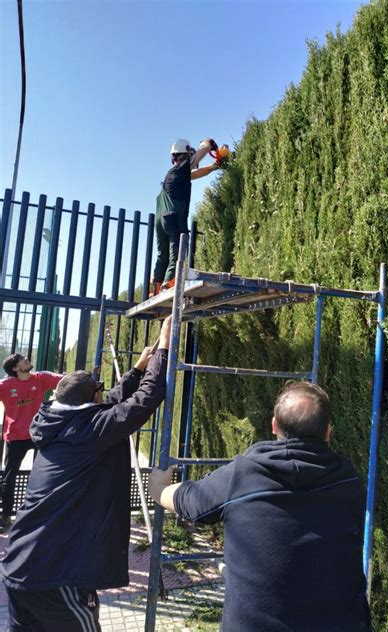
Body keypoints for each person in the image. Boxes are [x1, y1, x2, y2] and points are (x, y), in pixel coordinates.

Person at [150, 381, 372, 632]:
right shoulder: (348, 480)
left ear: (274, 425)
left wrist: (158, 489)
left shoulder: (243, 476)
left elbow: (191, 501)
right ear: (328, 432)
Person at [1, 316, 171, 632]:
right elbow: (144, 402)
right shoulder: (88, 431)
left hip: (21, 566)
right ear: (89, 398)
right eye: (98, 390)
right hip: (54, 577)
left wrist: (137, 368)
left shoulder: (58, 423)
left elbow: (109, 404)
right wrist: (164, 345)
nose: (102, 395)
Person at [150, 137, 221, 296]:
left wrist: (215, 166)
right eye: (190, 155)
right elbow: (196, 158)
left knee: (163, 255)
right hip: (173, 218)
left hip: (160, 221)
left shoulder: (174, 174)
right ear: (185, 154)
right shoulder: (180, 169)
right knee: (178, 251)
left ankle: (155, 288)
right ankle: (169, 285)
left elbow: (197, 173)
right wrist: (207, 144)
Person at [0, 354, 62, 532]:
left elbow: (67, 381)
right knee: (9, 478)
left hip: (37, 435)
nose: (26, 358)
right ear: (14, 368)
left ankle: (37, 515)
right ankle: (5, 515)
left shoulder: (41, 378)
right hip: (14, 437)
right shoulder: (5, 386)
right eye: (21, 358)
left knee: (42, 476)